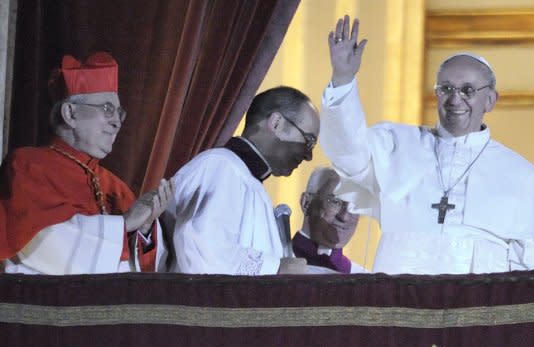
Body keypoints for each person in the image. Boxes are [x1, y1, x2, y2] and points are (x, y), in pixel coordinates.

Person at [320, 15, 534, 275]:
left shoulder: (522, 175)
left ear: (490, 100)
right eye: (446, 89)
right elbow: (347, 151)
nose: (455, 99)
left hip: (481, 306)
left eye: (468, 90)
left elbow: (532, 269)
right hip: (400, 299)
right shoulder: (396, 144)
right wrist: (342, 79)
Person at [0, 52, 172, 274]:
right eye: (107, 109)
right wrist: (125, 224)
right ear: (70, 113)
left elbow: (138, 277)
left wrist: (145, 227)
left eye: (120, 113)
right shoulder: (27, 166)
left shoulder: (116, 186)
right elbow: (44, 245)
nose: (117, 122)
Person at [163, 86, 319, 275]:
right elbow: (202, 252)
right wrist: (276, 267)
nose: (308, 155)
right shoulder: (219, 166)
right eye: (308, 140)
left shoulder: (249, 182)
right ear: (277, 122)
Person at [292, 166, 367, 273]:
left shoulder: (364, 280)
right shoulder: (271, 262)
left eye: (355, 207)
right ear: (306, 203)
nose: (344, 217)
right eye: (335, 202)